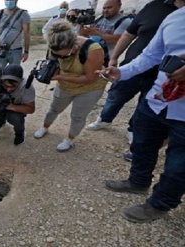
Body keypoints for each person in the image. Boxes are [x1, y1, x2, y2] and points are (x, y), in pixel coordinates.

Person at [99, 0, 185, 223]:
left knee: (178, 165)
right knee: (142, 143)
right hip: (158, 98)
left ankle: (160, 204)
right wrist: (122, 72)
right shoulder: (174, 17)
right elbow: (151, 55)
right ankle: (138, 182)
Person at [86, 0, 177, 146]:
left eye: (109, 6)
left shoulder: (179, 16)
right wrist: (114, 58)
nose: (105, 9)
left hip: (163, 75)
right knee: (115, 96)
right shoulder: (154, 6)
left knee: (144, 105)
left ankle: (133, 130)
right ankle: (104, 119)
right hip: (132, 67)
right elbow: (128, 35)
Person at [33, 22, 107, 152]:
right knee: (54, 109)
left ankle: (70, 139)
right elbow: (53, 64)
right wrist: (48, 72)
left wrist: (61, 77)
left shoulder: (93, 50)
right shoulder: (55, 45)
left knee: (78, 116)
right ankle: (44, 127)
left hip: (89, 88)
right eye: (58, 55)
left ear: (74, 46)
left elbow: (89, 78)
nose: (61, 58)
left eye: (64, 55)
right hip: (65, 86)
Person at [0, 64, 35, 145]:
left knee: (17, 118)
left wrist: (10, 106)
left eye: (13, 86)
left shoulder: (26, 86)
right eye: (6, 86)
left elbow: (31, 109)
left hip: (14, 109)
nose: (9, 89)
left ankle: (20, 133)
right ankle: (1, 120)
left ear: (20, 81)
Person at [0, 0, 31, 69]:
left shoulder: (23, 14)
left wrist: (26, 52)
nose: (9, 1)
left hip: (16, 50)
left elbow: (26, 34)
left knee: (13, 74)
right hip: (1, 50)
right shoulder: (0, 13)